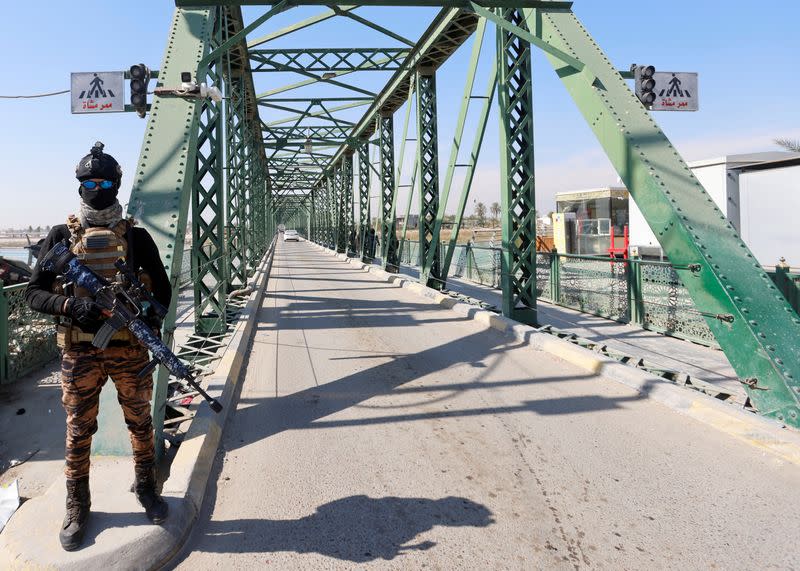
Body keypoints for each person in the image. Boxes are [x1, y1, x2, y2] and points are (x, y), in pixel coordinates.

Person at [25, 142, 172, 551]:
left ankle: (147, 487)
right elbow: (34, 294)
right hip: (79, 352)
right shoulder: (60, 237)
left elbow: (163, 290)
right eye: (88, 182)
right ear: (79, 187)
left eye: (104, 181)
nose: (96, 188)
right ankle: (78, 504)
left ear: (117, 185)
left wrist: (145, 316)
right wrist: (71, 304)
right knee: (78, 430)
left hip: (129, 348)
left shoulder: (137, 238)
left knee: (139, 422)